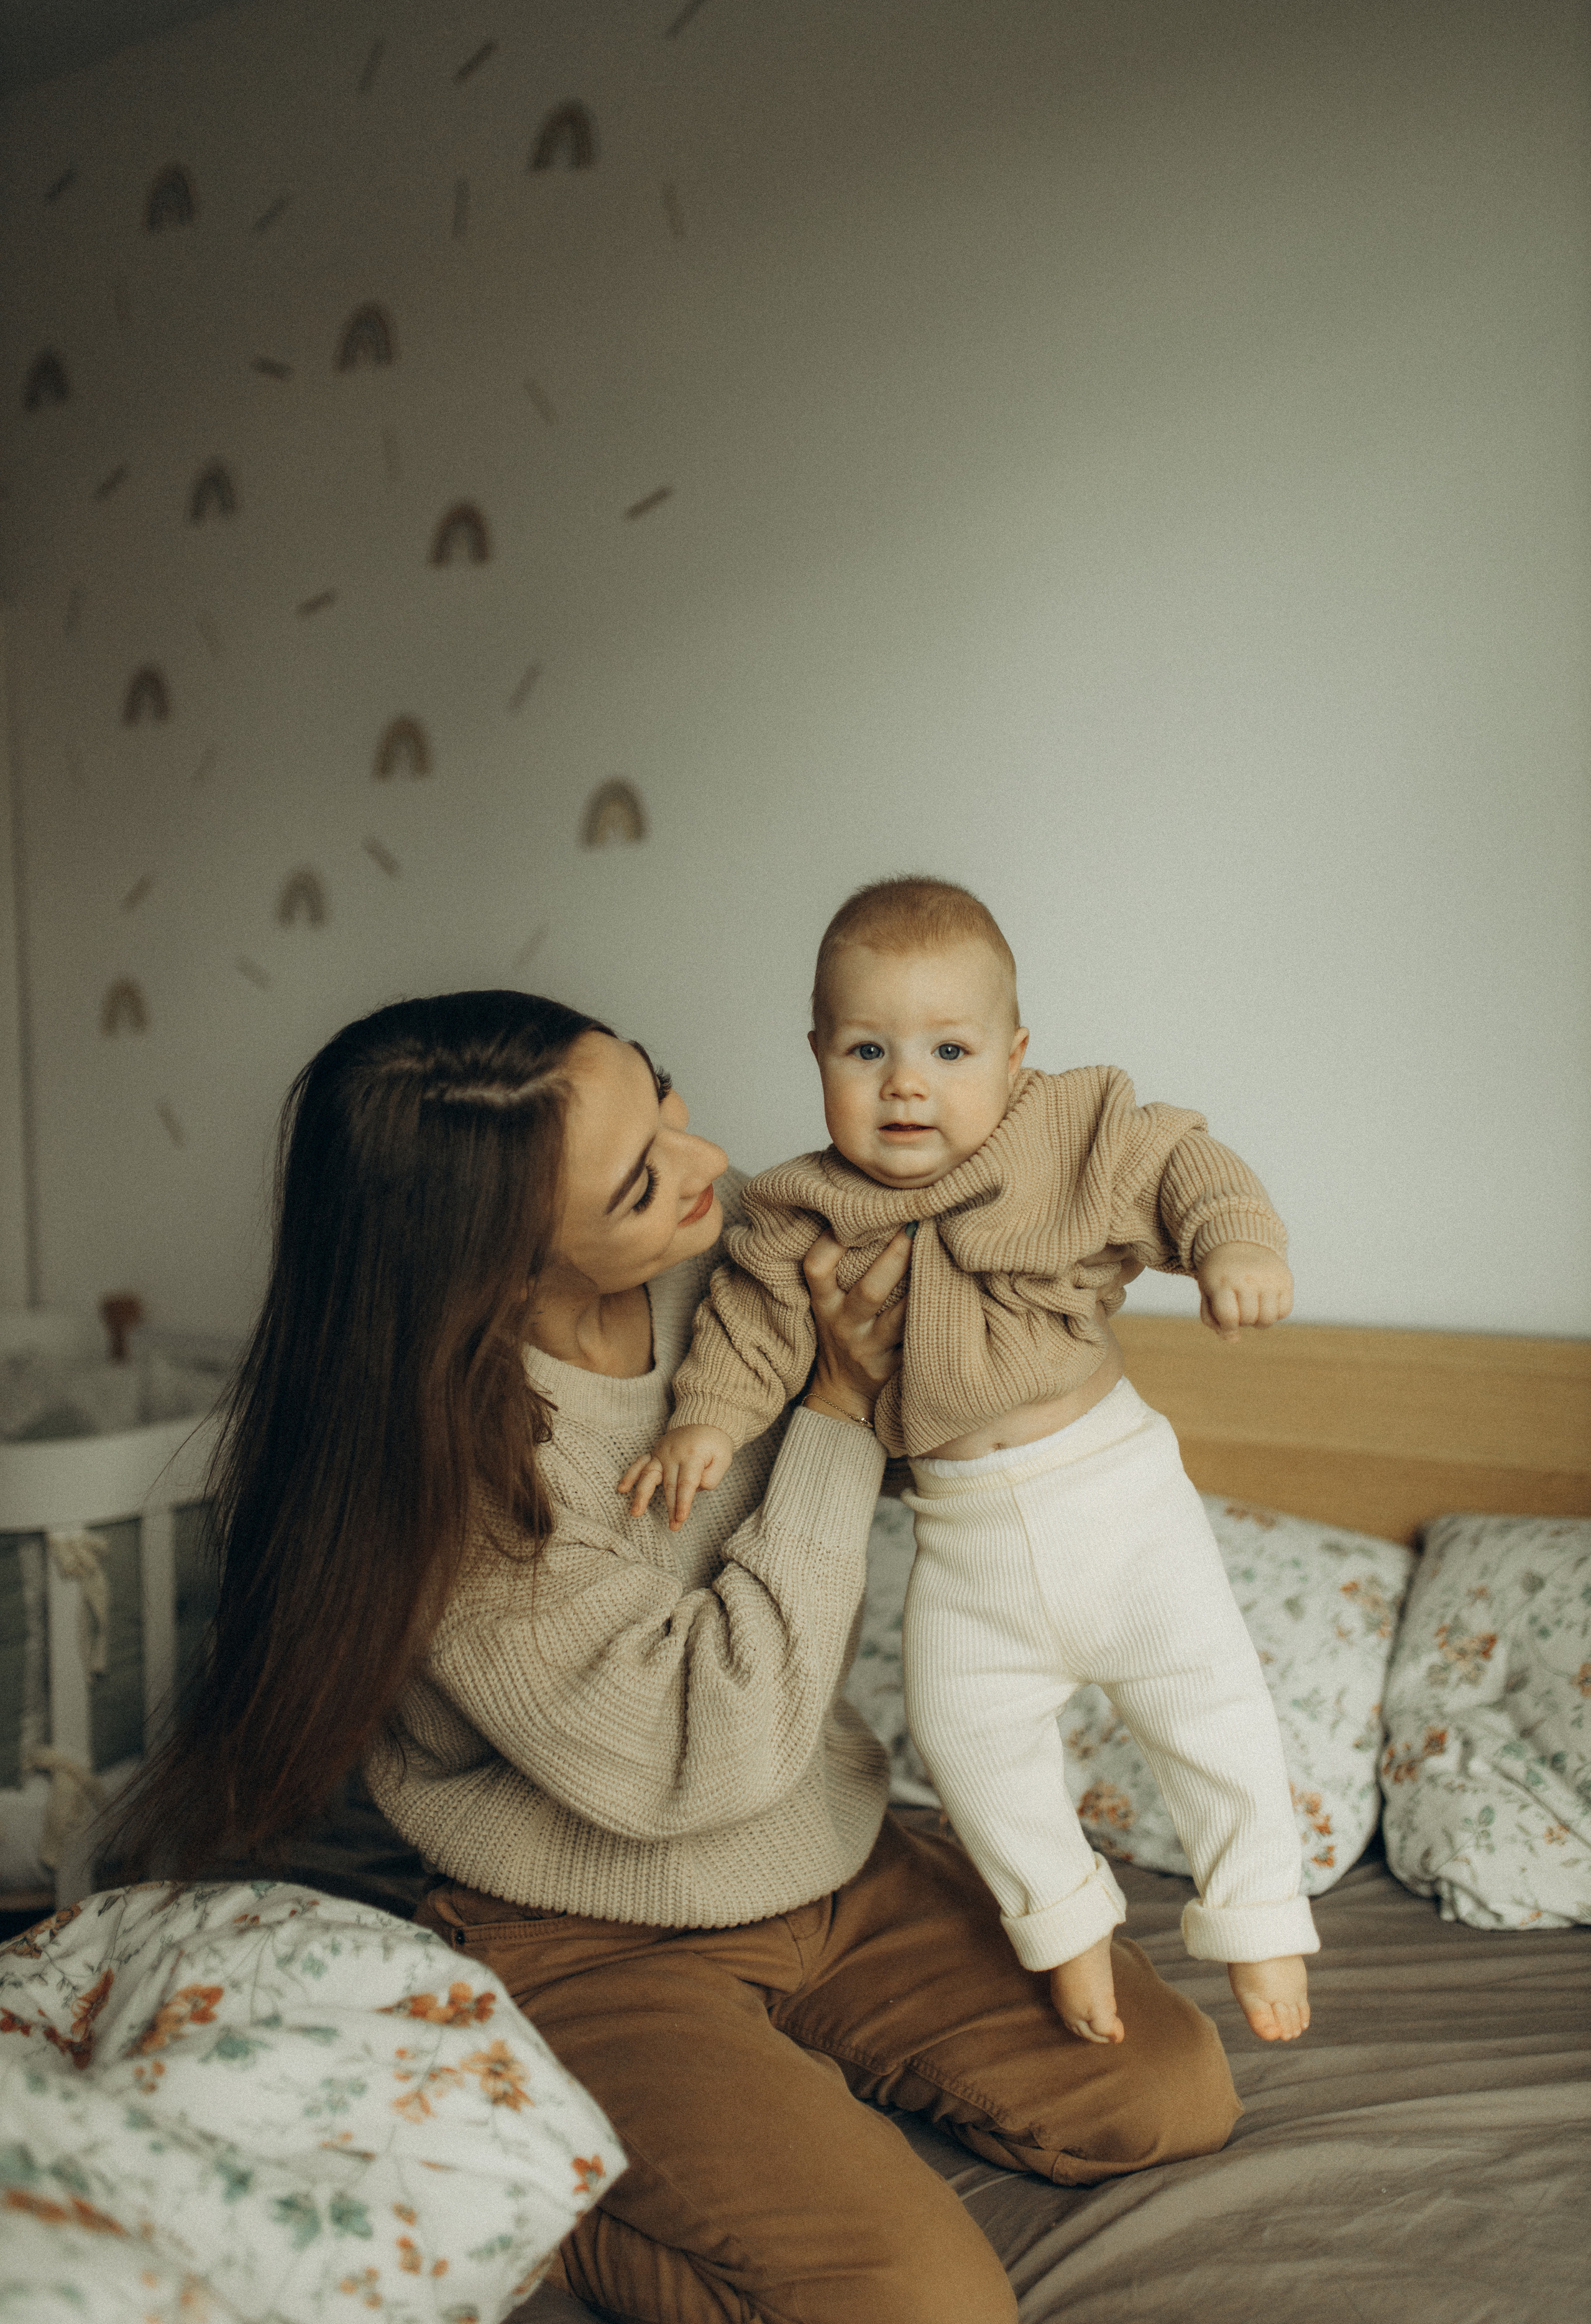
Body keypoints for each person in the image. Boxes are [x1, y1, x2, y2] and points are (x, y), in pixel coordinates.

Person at [114, 988, 1241, 2324]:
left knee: (1166, 2093)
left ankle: (786, 2068)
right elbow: (706, 1759)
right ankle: (550, 2196)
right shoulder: (451, 1496)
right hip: (597, 1931)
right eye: (643, 1181)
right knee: (926, 2311)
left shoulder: (737, 1256)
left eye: (664, 1097)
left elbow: (1002, 1259)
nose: (711, 1165)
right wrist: (827, 1407)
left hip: (823, 1853)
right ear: (499, 1270)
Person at [625, 879, 1316, 2050]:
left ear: (1014, 1055)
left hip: (1120, 1503)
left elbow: (1181, 1167)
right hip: (963, 1540)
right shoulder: (803, 1212)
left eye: (950, 1048)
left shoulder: (1068, 1135)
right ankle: (1065, 1924)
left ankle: (1259, 1914)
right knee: (959, 1736)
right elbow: (748, 1332)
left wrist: (1234, 1243)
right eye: (867, 1049)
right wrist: (705, 1422)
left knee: (1214, 1711)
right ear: (817, 1057)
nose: (908, 1082)